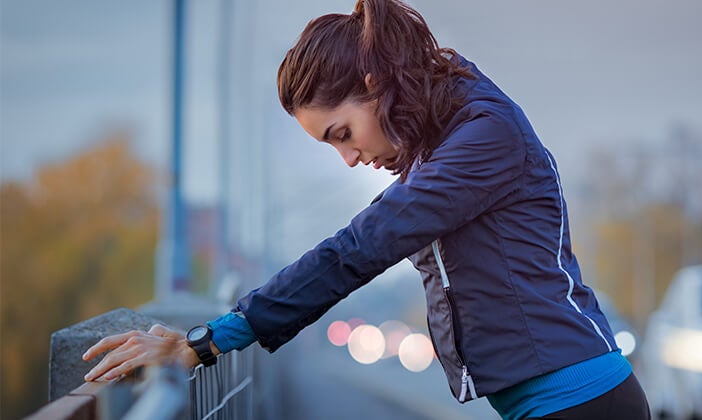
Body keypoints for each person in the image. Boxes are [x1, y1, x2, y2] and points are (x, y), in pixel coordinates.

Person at [83, 1, 651, 418]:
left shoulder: (484, 136)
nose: (350, 159)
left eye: (343, 134)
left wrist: (207, 340)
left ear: (375, 85)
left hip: (582, 404)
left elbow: (360, 247)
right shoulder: (440, 139)